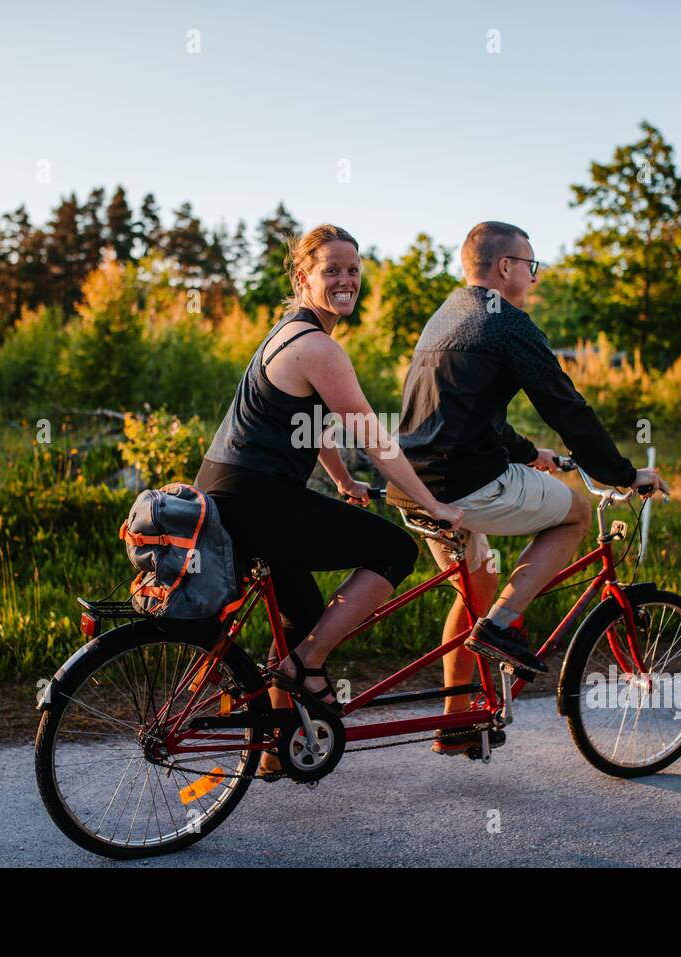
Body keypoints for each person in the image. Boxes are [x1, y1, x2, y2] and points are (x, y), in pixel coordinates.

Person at [195, 223, 462, 778]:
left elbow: (312, 428)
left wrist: (343, 482)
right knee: (393, 552)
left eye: (353, 270)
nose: (346, 280)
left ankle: (272, 746)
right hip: (257, 497)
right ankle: (306, 668)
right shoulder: (318, 347)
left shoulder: (286, 333)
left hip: (227, 488)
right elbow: (373, 435)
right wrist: (433, 506)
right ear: (303, 277)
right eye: (331, 270)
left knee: (301, 617)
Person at [396, 221, 669, 757]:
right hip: (464, 484)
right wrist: (621, 473)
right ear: (505, 268)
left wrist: (528, 454)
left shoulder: (448, 314)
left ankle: (457, 725)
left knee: (473, 589)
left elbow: (465, 409)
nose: (533, 276)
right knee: (572, 515)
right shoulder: (508, 323)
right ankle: (502, 627)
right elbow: (567, 407)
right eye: (530, 264)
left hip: (414, 483)